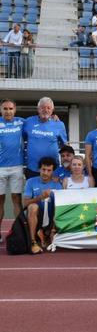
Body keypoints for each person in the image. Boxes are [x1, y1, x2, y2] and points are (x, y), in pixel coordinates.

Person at [23, 157, 62, 254]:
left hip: (52, 217)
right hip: (37, 216)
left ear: (53, 171)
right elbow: (25, 203)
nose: (45, 173)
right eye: (43, 169)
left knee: (58, 207)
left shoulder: (58, 184)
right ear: (39, 169)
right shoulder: (30, 182)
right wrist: (40, 197)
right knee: (32, 206)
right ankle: (33, 241)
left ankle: (50, 233)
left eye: (49, 170)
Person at [23, 97, 68, 178]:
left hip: (53, 169)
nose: (46, 110)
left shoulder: (59, 124)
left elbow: (65, 146)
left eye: (48, 108)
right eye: (43, 107)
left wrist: (67, 163)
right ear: (38, 109)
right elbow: (22, 139)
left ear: (52, 110)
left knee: (52, 191)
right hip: (32, 168)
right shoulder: (28, 121)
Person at [0, 99, 25, 240]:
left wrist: (54, 118)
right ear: (1, 110)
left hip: (17, 167)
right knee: (0, 201)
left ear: (15, 110)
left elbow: (38, 121)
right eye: (5, 108)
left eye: (10, 108)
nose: (8, 111)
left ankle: (19, 232)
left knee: (17, 200)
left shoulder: (22, 122)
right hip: (0, 168)